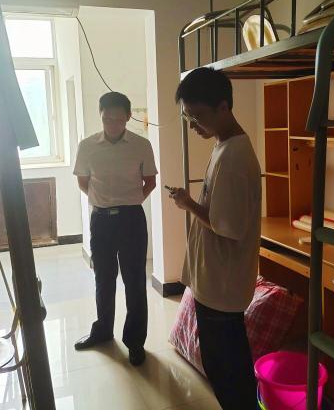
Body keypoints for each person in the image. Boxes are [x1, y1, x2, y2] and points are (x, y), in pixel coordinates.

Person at [169, 68, 261, 410]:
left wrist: (188, 204)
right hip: (215, 280)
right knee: (225, 364)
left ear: (223, 107)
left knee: (227, 370)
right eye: (188, 117)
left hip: (223, 284)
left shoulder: (234, 156)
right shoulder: (223, 144)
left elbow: (228, 226)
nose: (193, 125)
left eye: (198, 116)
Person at [72, 91, 157, 366]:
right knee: (103, 278)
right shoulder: (87, 146)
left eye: (118, 119)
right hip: (101, 220)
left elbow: (150, 182)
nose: (112, 124)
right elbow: (83, 181)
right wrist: (103, 201)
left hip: (132, 220)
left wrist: (130, 201)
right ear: (100, 115)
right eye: (107, 119)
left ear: (128, 117)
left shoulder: (141, 145)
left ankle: (135, 342)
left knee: (134, 281)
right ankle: (103, 331)